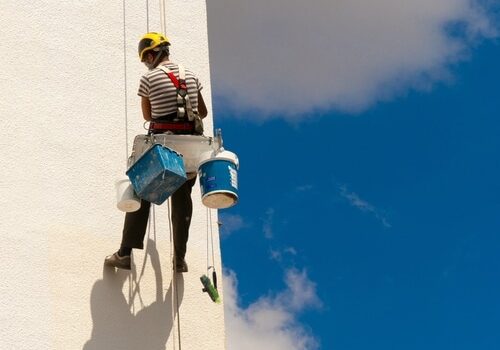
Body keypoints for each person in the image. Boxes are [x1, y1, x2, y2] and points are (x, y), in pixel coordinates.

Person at [105, 32, 207, 273]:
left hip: (163, 148)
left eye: (145, 59)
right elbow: (201, 111)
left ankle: (125, 253)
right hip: (191, 148)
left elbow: (148, 116)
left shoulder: (148, 78)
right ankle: (179, 258)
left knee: (140, 192)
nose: (146, 63)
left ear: (151, 54)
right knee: (183, 202)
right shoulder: (191, 75)